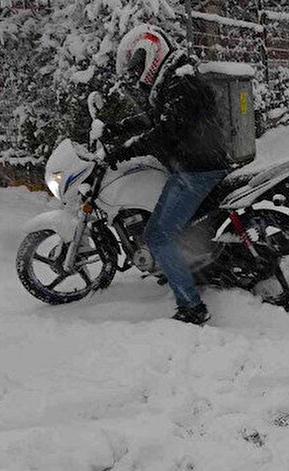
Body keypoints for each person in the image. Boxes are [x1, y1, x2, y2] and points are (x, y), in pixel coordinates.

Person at [104, 24, 231, 325]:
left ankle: (192, 307)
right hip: (196, 164)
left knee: (158, 236)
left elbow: (164, 131)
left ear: (152, 52)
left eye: (138, 66)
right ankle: (183, 269)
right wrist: (117, 130)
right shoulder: (174, 77)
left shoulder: (180, 81)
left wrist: (123, 151)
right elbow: (154, 118)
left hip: (198, 169)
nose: (137, 75)